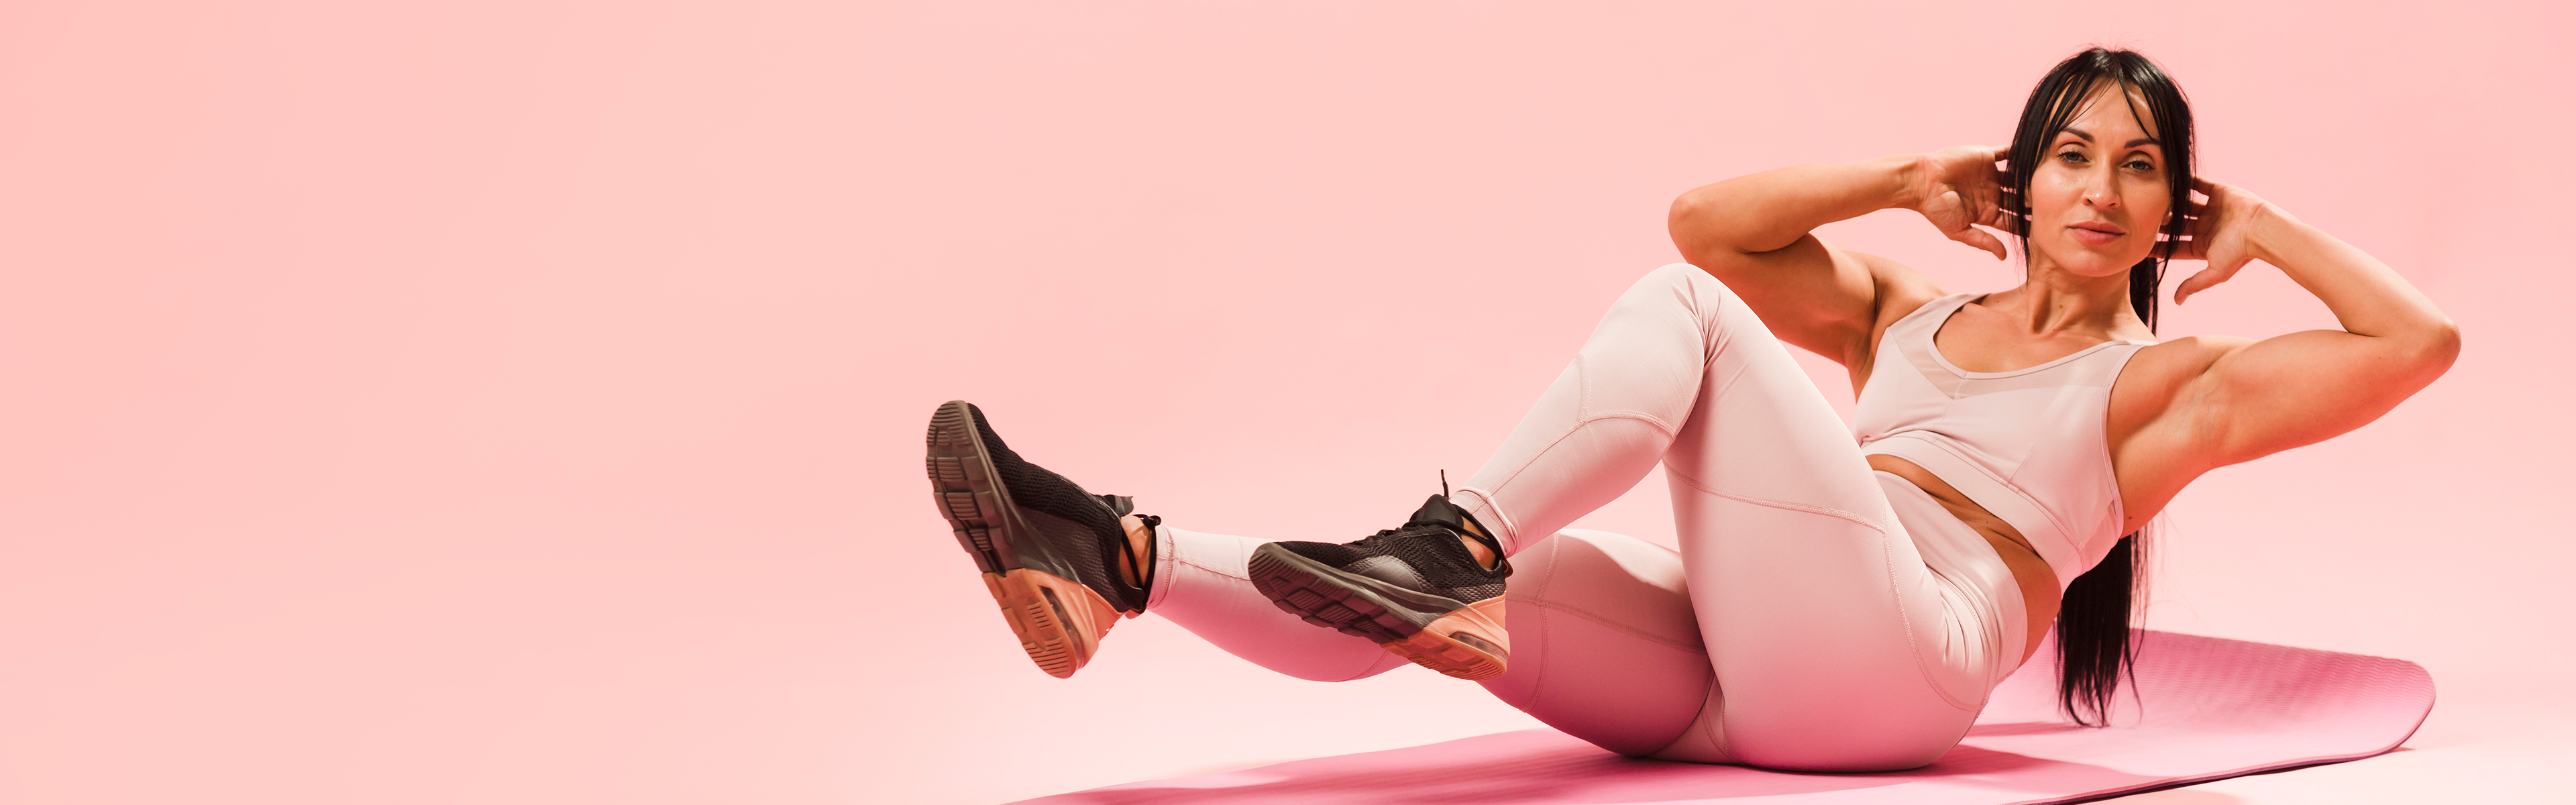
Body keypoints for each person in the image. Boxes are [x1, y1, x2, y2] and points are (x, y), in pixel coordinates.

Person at [919, 47, 2457, 772]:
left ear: (2170, 203)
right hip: (1745, 671)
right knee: (1447, 616)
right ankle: (1115, 556)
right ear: (2021, 177)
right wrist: (1898, 178)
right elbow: (1705, 218)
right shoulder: (1907, 318)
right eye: (2072, 154)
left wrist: (2261, 228)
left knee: (1691, 332)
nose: (2102, 189)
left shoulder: (2162, 392)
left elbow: (2421, 342)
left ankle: (1455, 538)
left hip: (1900, 668)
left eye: (2141, 164)